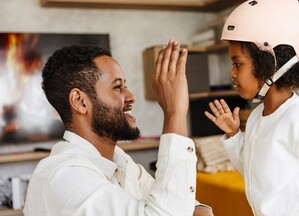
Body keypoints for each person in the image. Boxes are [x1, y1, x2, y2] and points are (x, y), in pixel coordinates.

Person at [24, 41, 213, 216]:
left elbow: (180, 204)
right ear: (80, 102)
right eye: (118, 87)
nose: (131, 96)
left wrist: (196, 209)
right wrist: (175, 112)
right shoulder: (64, 176)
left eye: (126, 86)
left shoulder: (121, 162)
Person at [204, 0, 299, 215]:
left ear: (270, 63)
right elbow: (252, 173)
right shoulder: (256, 117)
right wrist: (234, 135)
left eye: (237, 63)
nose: (232, 73)